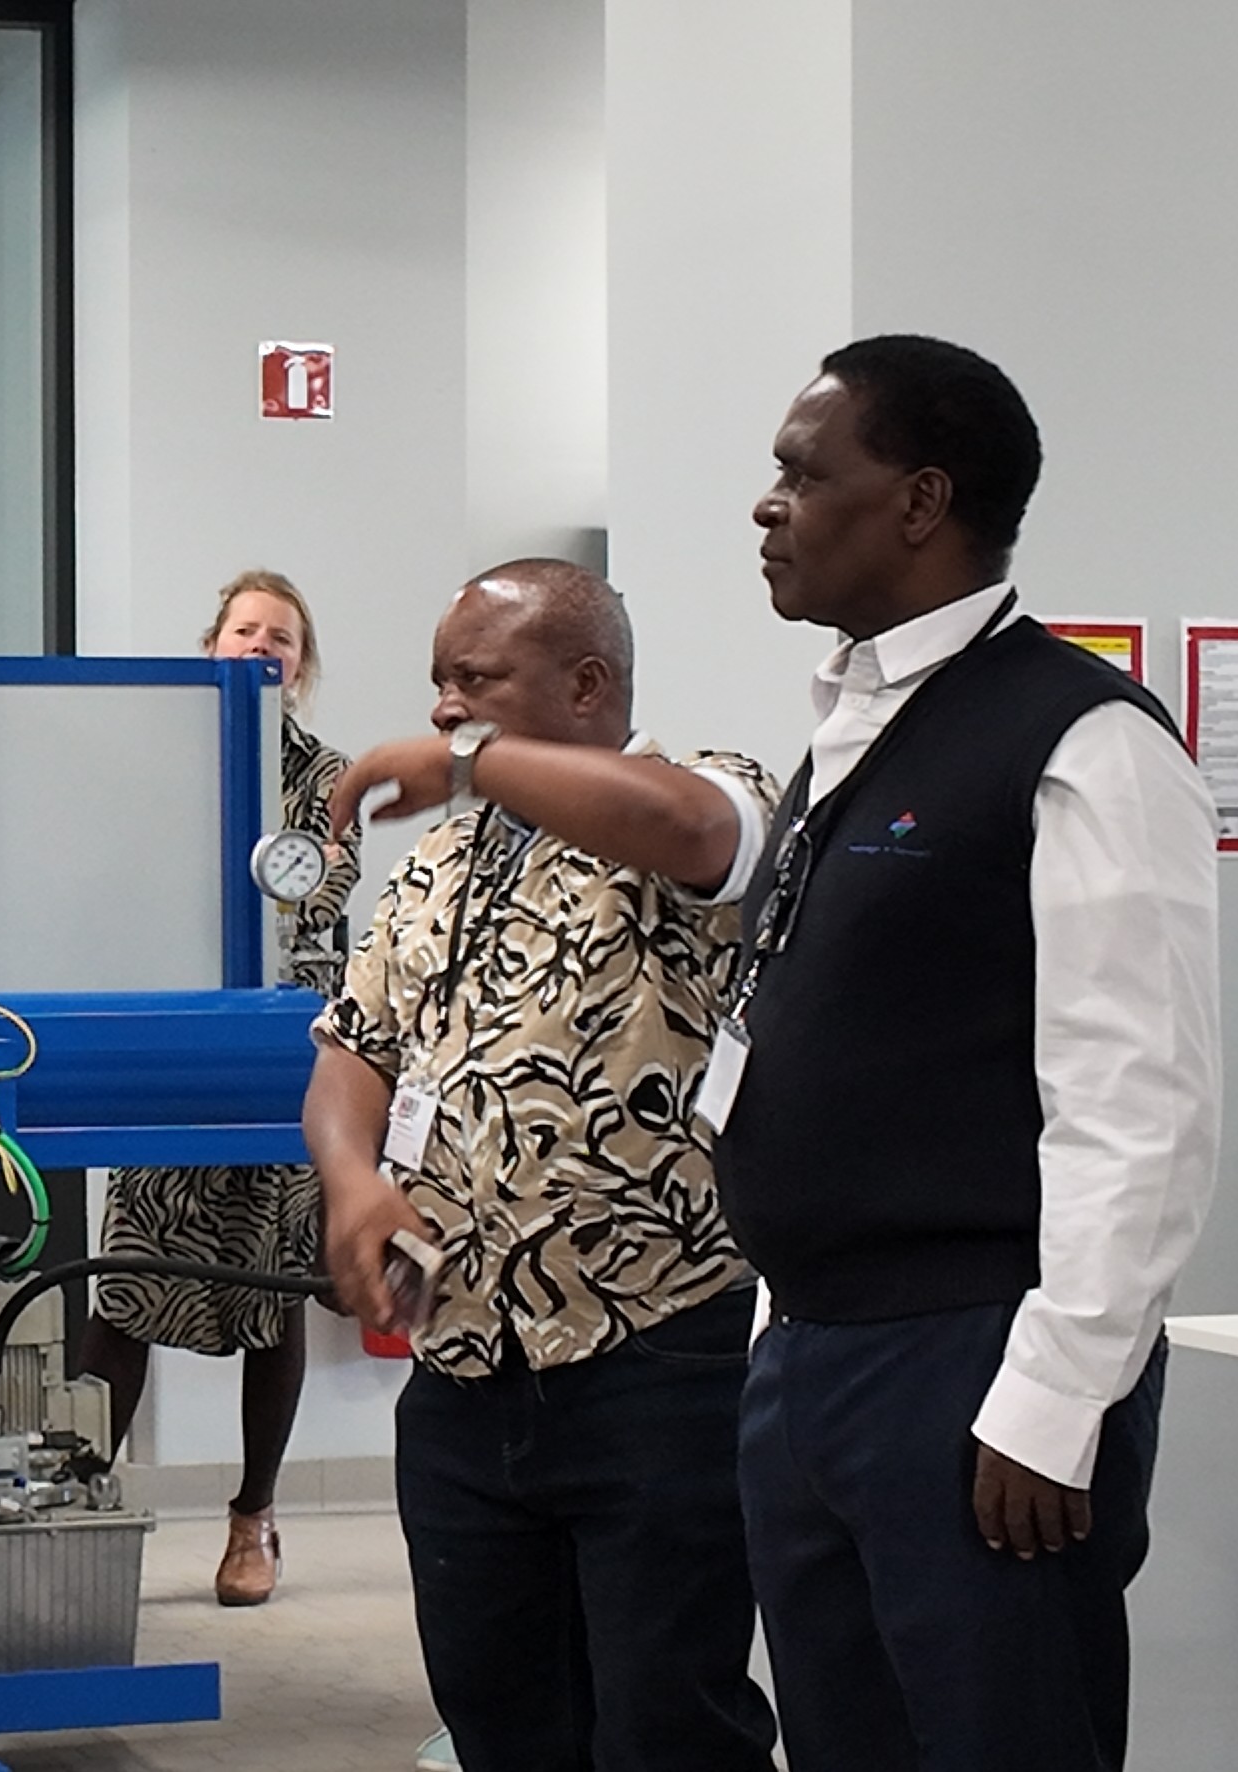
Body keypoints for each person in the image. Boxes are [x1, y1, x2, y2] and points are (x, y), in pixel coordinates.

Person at [715, 336, 1218, 1772]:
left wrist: (1058, 1394)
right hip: (812, 1351)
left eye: (803, 476)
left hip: (973, 1367)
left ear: (920, 500)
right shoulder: (854, 728)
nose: (767, 506)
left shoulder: (1079, 740)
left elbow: (1141, 1106)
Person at [306, 559, 781, 1771]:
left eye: (475, 680)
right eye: (437, 687)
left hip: (654, 1357)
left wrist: (461, 764)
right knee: (500, 1721)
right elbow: (352, 1055)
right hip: (466, 1371)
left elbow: (695, 832)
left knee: (668, 1725)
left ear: (585, 684)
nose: (445, 710)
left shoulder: (705, 798)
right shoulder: (439, 867)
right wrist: (354, 1178)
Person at [75, 568, 357, 1607]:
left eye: (279, 636)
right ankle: (81, 1503)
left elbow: (313, 889)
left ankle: (253, 1518)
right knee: (124, 1291)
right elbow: (117, 882)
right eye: (243, 630)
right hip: (170, 1046)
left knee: (270, 1295)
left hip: (277, 1058)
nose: (258, 647)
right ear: (210, 646)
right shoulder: (155, 763)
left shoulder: (329, 777)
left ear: (300, 664)